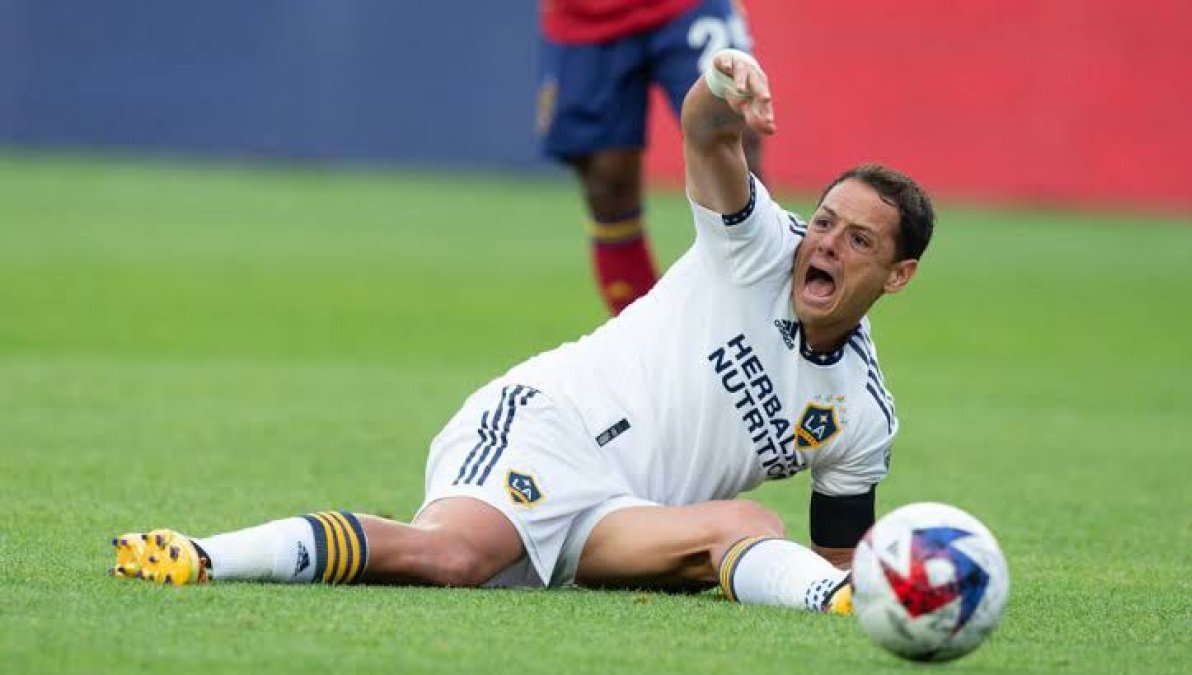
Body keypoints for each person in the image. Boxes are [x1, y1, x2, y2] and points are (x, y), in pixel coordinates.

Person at [111, 50, 934, 616]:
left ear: (896, 276)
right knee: (451, 558)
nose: (825, 243)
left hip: (623, 515)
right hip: (549, 423)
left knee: (754, 526)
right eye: (826, 220)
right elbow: (708, 134)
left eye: (857, 239)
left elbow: (838, 558)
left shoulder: (861, 415)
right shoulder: (759, 245)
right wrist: (721, 83)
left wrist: (878, 595)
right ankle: (200, 553)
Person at [536, 0, 764, 315]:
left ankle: (761, 318)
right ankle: (647, 334)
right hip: (587, 17)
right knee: (607, 181)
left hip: (687, 7)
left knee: (733, 138)